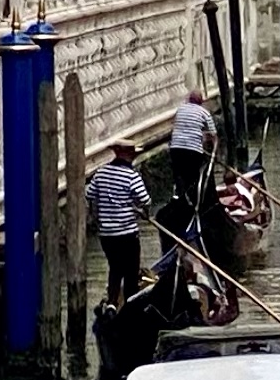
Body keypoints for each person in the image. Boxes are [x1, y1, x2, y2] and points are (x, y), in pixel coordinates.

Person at [88, 139, 153, 304]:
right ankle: (131, 305)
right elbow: (145, 200)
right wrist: (143, 212)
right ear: (130, 155)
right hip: (127, 234)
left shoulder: (100, 173)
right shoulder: (131, 176)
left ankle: (111, 303)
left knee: (115, 268)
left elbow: (90, 195)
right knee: (131, 272)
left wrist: (98, 217)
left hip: (106, 234)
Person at [164, 87, 216, 228]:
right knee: (193, 178)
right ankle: (192, 202)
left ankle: (180, 198)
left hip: (176, 148)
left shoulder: (181, 110)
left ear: (189, 100)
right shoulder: (204, 113)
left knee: (179, 176)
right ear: (202, 101)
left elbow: (174, 127)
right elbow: (213, 135)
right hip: (193, 151)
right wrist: (213, 153)